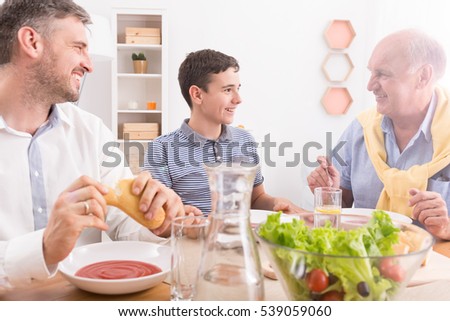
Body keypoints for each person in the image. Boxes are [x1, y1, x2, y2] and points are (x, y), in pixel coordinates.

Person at [0, 0, 184, 288]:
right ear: (31, 42)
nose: (89, 64)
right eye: (78, 47)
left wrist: (159, 224)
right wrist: (44, 248)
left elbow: (124, 223)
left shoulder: (91, 131)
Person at [307, 29, 450, 240]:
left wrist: (447, 230)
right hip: (365, 264)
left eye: (383, 74)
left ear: (423, 77)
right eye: (371, 73)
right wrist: (330, 192)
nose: (370, 85)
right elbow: (343, 207)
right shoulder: (360, 129)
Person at [144, 49, 304, 215]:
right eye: (228, 90)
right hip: (189, 239)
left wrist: (276, 203)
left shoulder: (245, 140)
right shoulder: (161, 149)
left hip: (238, 238)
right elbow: (159, 214)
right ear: (197, 94)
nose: (238, 99)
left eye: (237, 89)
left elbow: (255, 199)